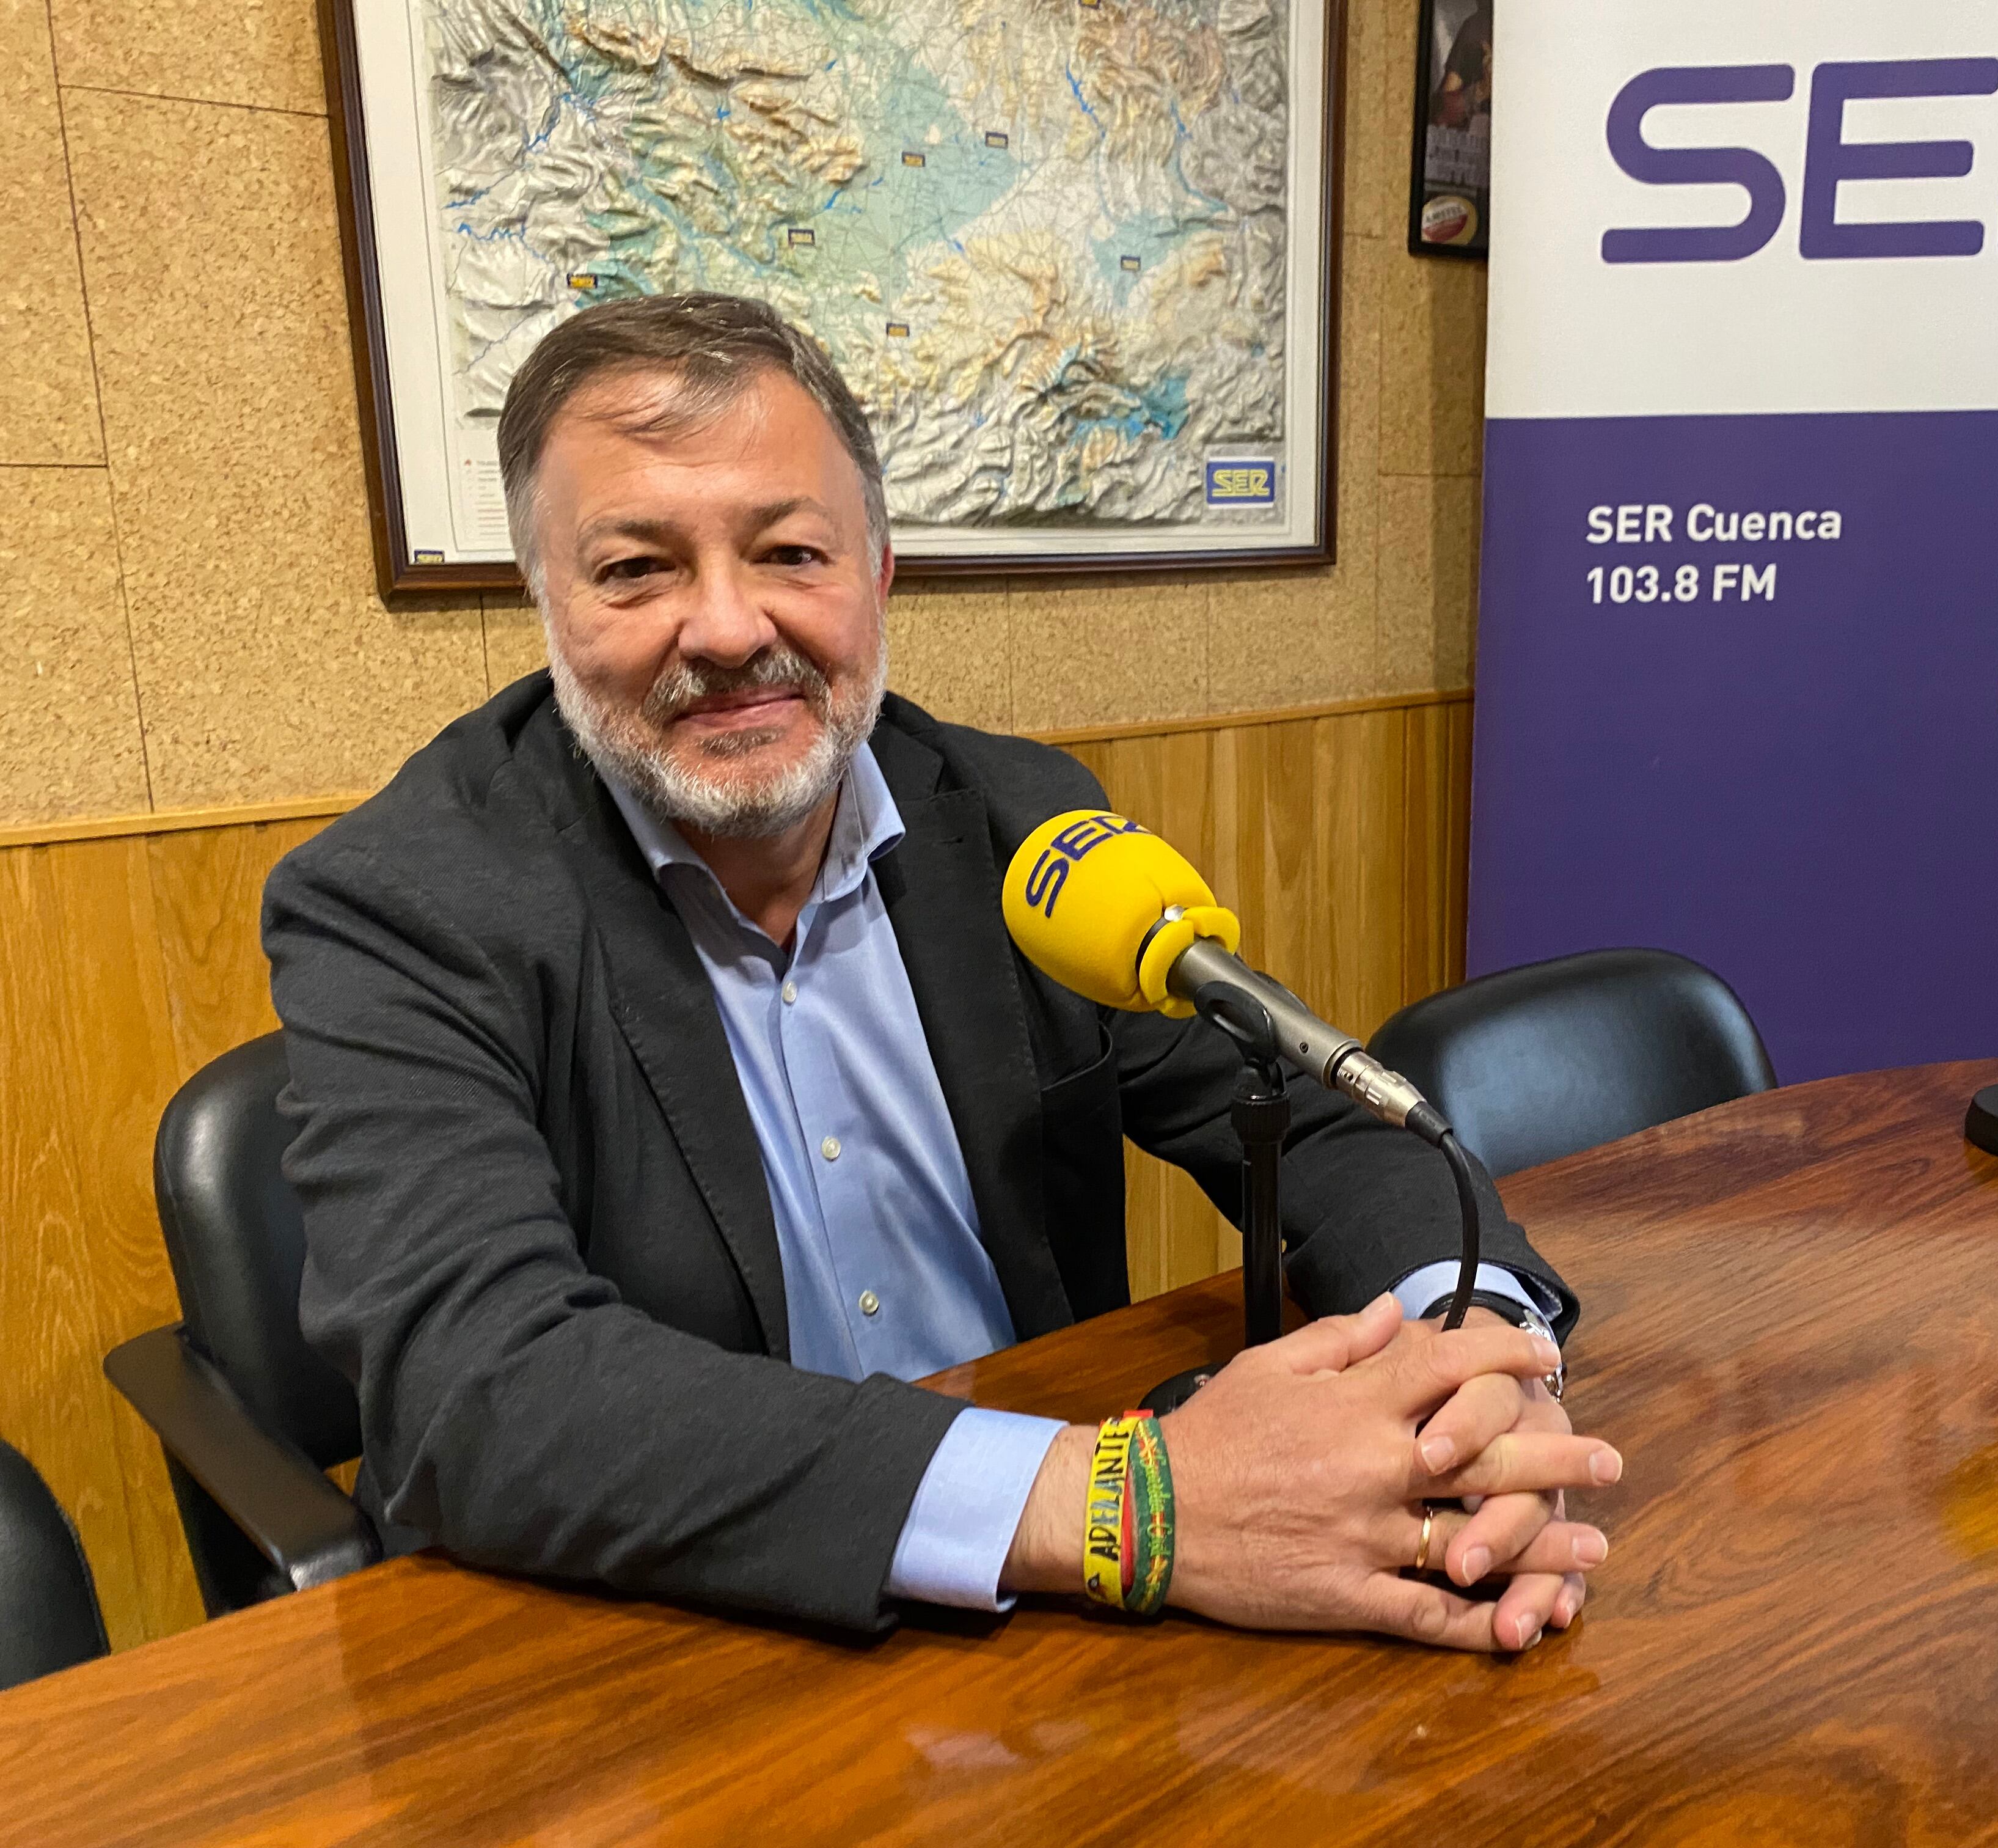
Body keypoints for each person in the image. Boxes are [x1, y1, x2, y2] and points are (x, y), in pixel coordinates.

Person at [266, 292, 1619, 1652]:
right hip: (666, 1632)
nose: (731, 630)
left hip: (1052, 1624)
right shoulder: (401, 904)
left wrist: (1476, 1362)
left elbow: (1319, 1109)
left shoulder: (1020, 821)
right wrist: (1125, 1505)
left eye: (791, 552)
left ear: (880, 572)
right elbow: (483, 1386)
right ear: (544, 601)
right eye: (637, 571)